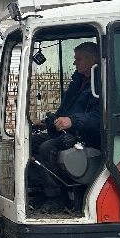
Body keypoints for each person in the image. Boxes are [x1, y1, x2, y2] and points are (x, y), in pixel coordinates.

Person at [29, 42, 102, 213]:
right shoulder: (78, 81)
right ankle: (43, 190)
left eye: (78, 59)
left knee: (47, 148)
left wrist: (72, 121)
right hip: (68, 132)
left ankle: (58, 197)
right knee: (29, 143)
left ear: (92, 59)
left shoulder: (100, 84)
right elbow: (66, 110)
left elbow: (99, 117)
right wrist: (48, 122)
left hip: (86, 136)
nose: (74, 63)